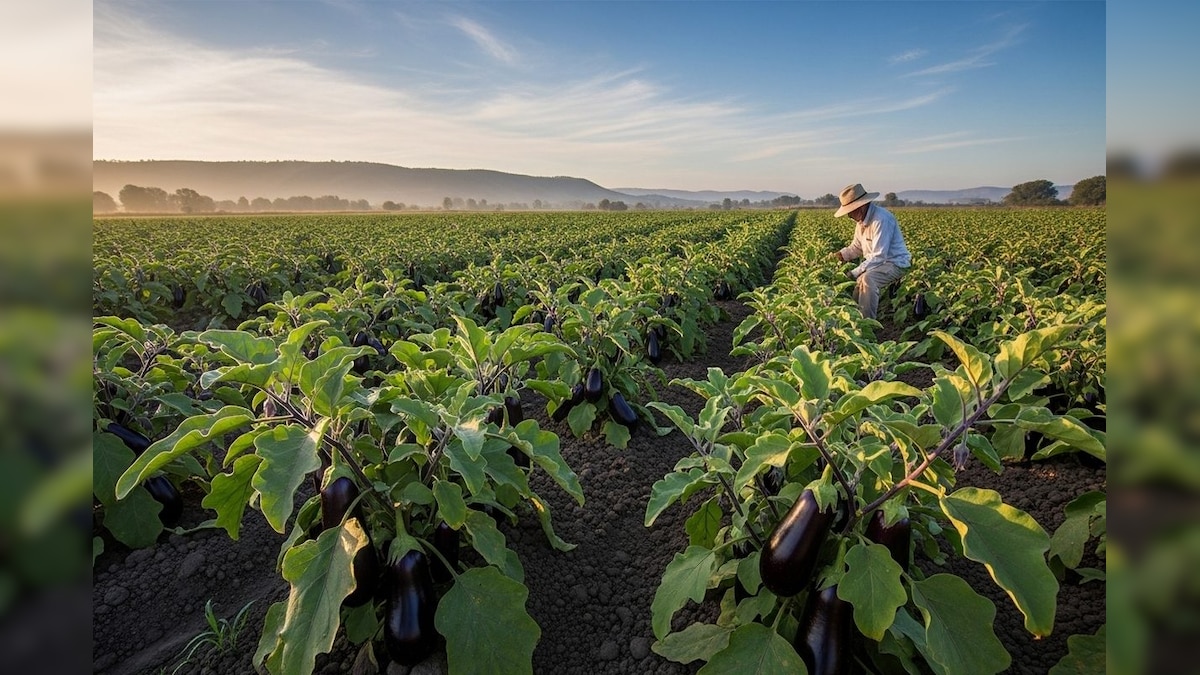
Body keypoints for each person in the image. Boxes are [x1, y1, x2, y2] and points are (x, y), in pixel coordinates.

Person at [828, 183, 911, 320]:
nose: (849, 215)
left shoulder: (881, 219)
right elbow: (856, 247)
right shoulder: (861, 222)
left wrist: (853, 272)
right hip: (879, 264)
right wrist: (841, 255)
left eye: (850, 211)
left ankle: (867, 324)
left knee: (867, 279)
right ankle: (853, 320)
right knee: (859, 283)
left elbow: (879, 256)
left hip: (895, 263)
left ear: (860, 207)